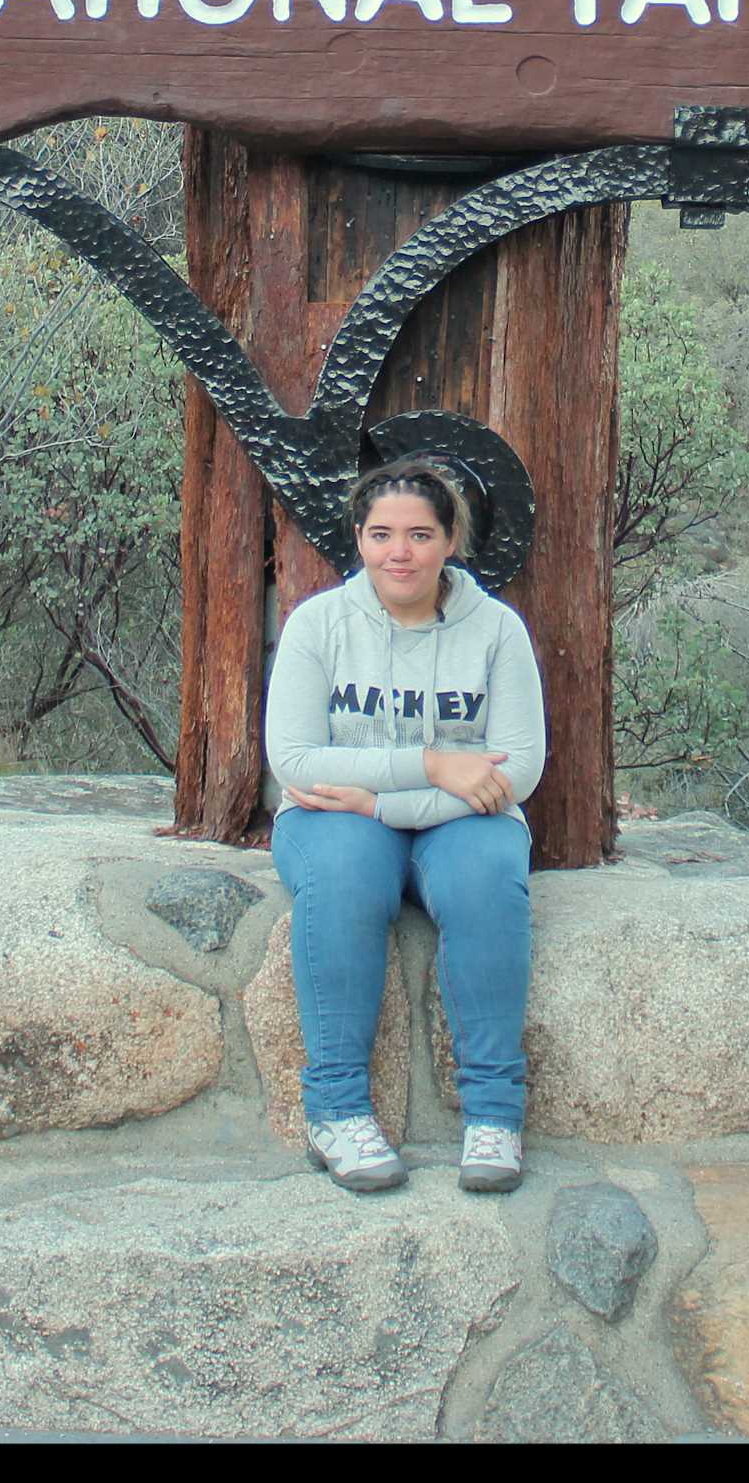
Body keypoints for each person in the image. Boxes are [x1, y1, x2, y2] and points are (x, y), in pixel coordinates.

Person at [265, 457, 544, 1194]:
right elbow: (295, 758)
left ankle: (492, 1113)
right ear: (358, 539)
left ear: (450, 540)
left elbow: (514, 767)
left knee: (486, 878)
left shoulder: (496, 631)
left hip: (452, 819)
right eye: (382, 533)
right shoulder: (318, 625)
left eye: (421, 534)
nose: (401, 551)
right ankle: (336, 1108)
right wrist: (432, 762)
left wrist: (387, 801)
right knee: (346, 874)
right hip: (331, 814)